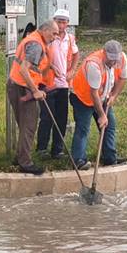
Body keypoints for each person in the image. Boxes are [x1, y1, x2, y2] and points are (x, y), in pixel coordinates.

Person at [7, 21, 58, 175]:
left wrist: (49, 67)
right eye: (53, 33)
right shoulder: (36, 44)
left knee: (25, 125)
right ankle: (25, 163)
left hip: (17, 85)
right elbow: (24, 69)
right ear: (45, 30)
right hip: (23, 89)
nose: (55, 37)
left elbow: (35, 66)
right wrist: (35, 91)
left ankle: (19, 157)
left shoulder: (35, 39)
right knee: (29, 126)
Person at [70, 40, 127, 170]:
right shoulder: (94, 64)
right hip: (82, 98)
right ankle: (78, 160)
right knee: (83, 128)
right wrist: (102, 115)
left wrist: (113, 95)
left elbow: (123, 78)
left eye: (116, 59)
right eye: (111, 59)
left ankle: (109, 158)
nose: (114, 62)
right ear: (104, 53)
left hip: (103, 97)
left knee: (110, 126)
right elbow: (93, 93)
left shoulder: (122, 58)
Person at [36, 9, 79, 159]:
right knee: (47, 116)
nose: (61, 25)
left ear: (67, 23)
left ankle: (57, 149)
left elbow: (75, 54)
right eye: (58, 21)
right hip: (48, 82)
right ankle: (41, 148)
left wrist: (72, 69)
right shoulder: (49, 37)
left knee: (61, 117)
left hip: (64, 83)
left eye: (64, 22)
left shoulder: (70, 38)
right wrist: (50, 66)